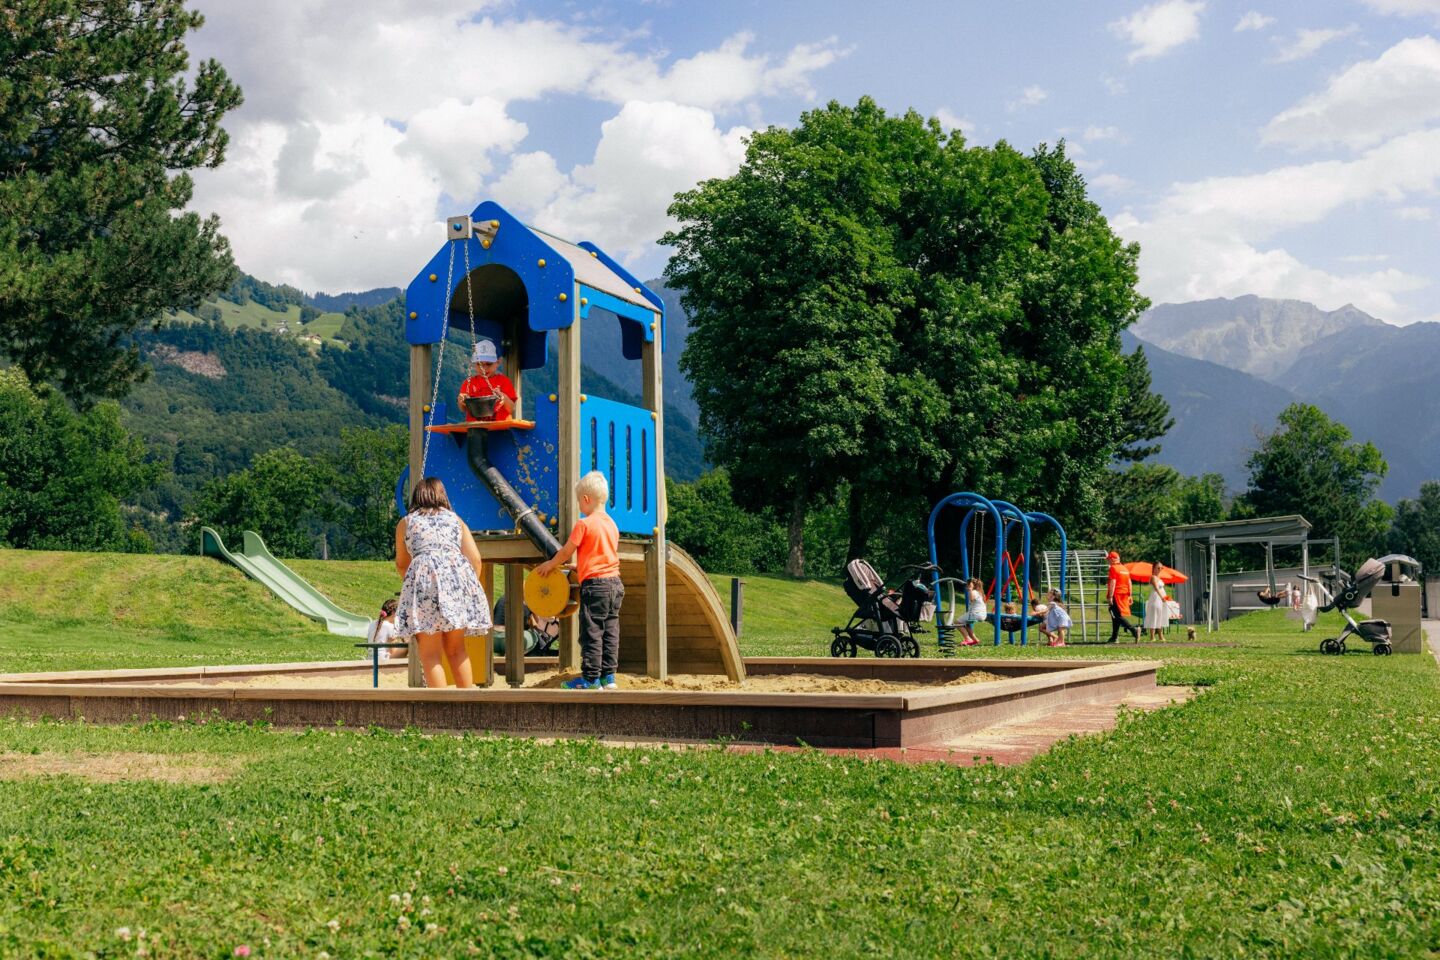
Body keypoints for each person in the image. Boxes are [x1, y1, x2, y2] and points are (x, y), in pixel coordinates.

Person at [394, 477, 492, 688]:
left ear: (416, 497)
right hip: (456, 586)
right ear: (442, 496)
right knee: (457, 649)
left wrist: (413, 586)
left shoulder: (406, 523)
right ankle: (466, 701)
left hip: (423, 585)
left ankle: (440, 704)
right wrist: (468, 589)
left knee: (430, 653)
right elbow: (475, 559)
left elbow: (402, 563)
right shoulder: (456, 520)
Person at [535, 470, 623, 690]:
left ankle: (591, 678)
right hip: (615, 584)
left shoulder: (584, 524)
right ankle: (608, 677)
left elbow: (566, 552)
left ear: (586, 499)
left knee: (592, 632)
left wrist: (550, 564)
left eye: (579, 501)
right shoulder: (612, 524)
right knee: (610, 630)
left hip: (596, 587)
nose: (579, 506)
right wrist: (582, 567)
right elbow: (603, 554)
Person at [458, 338, 518, 423]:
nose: (484, 368)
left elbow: (511, 408)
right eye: (479, 364)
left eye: (489, 364)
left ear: (498, 362)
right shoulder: (469, 383)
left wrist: (503, 397)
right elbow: (463, 408)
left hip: (500, 427)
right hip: (476, 427)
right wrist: (461, 401)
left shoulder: (504, 381)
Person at [1106, 551, 1141, 643]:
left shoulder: (1113, 568)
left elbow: (1113, 582)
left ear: (1113, 559)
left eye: (1108, 559)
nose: (1108, 561)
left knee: (1115, 615)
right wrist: (1130, 595)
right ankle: (1114, 637)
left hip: (1116, 594)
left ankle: (1134, 631)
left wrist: (1110, 596)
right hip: (1124, 594)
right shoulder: (1124, 568)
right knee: (1115, 615)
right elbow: (1129, 582)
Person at [953, 577, 985, 647]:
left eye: (967, 585)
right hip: (982, 614)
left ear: (971, 585)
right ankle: (975, 640)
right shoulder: (979, 592)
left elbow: (972, 599)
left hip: (975, 614)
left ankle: (968, 639)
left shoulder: (974, 592)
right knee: (966, 625)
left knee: (956, 623)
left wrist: (970, 589)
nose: (966, 587)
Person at [1143, 563, 1170, 642]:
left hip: (1161, 599)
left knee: (1160, 616)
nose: (1160, 569)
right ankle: (1152, 636)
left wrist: (1165, 597)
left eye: (1161, 568)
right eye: (1158, 568)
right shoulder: (1153, 577)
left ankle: (1161, 636)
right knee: (1154, 616)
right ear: (1154, 568)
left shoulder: (1159, 578)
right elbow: (1156, 588)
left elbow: (1161, 589)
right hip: (1156, 598)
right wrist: (1162, 597)